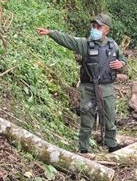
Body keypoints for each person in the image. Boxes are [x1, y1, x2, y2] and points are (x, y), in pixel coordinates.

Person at [37, 13, 127, 153]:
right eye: (94, 26)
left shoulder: (113, 45)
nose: (95, 29)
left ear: (106, 30)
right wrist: (51, 33)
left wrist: (120, 63)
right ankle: (84, 150)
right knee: (86, 121)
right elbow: (67, 40)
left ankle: (112, 147)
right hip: (89, 88)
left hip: (107, 88)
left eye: (99, 27)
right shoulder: (85, 44)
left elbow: (123, 60)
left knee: (110, 119)